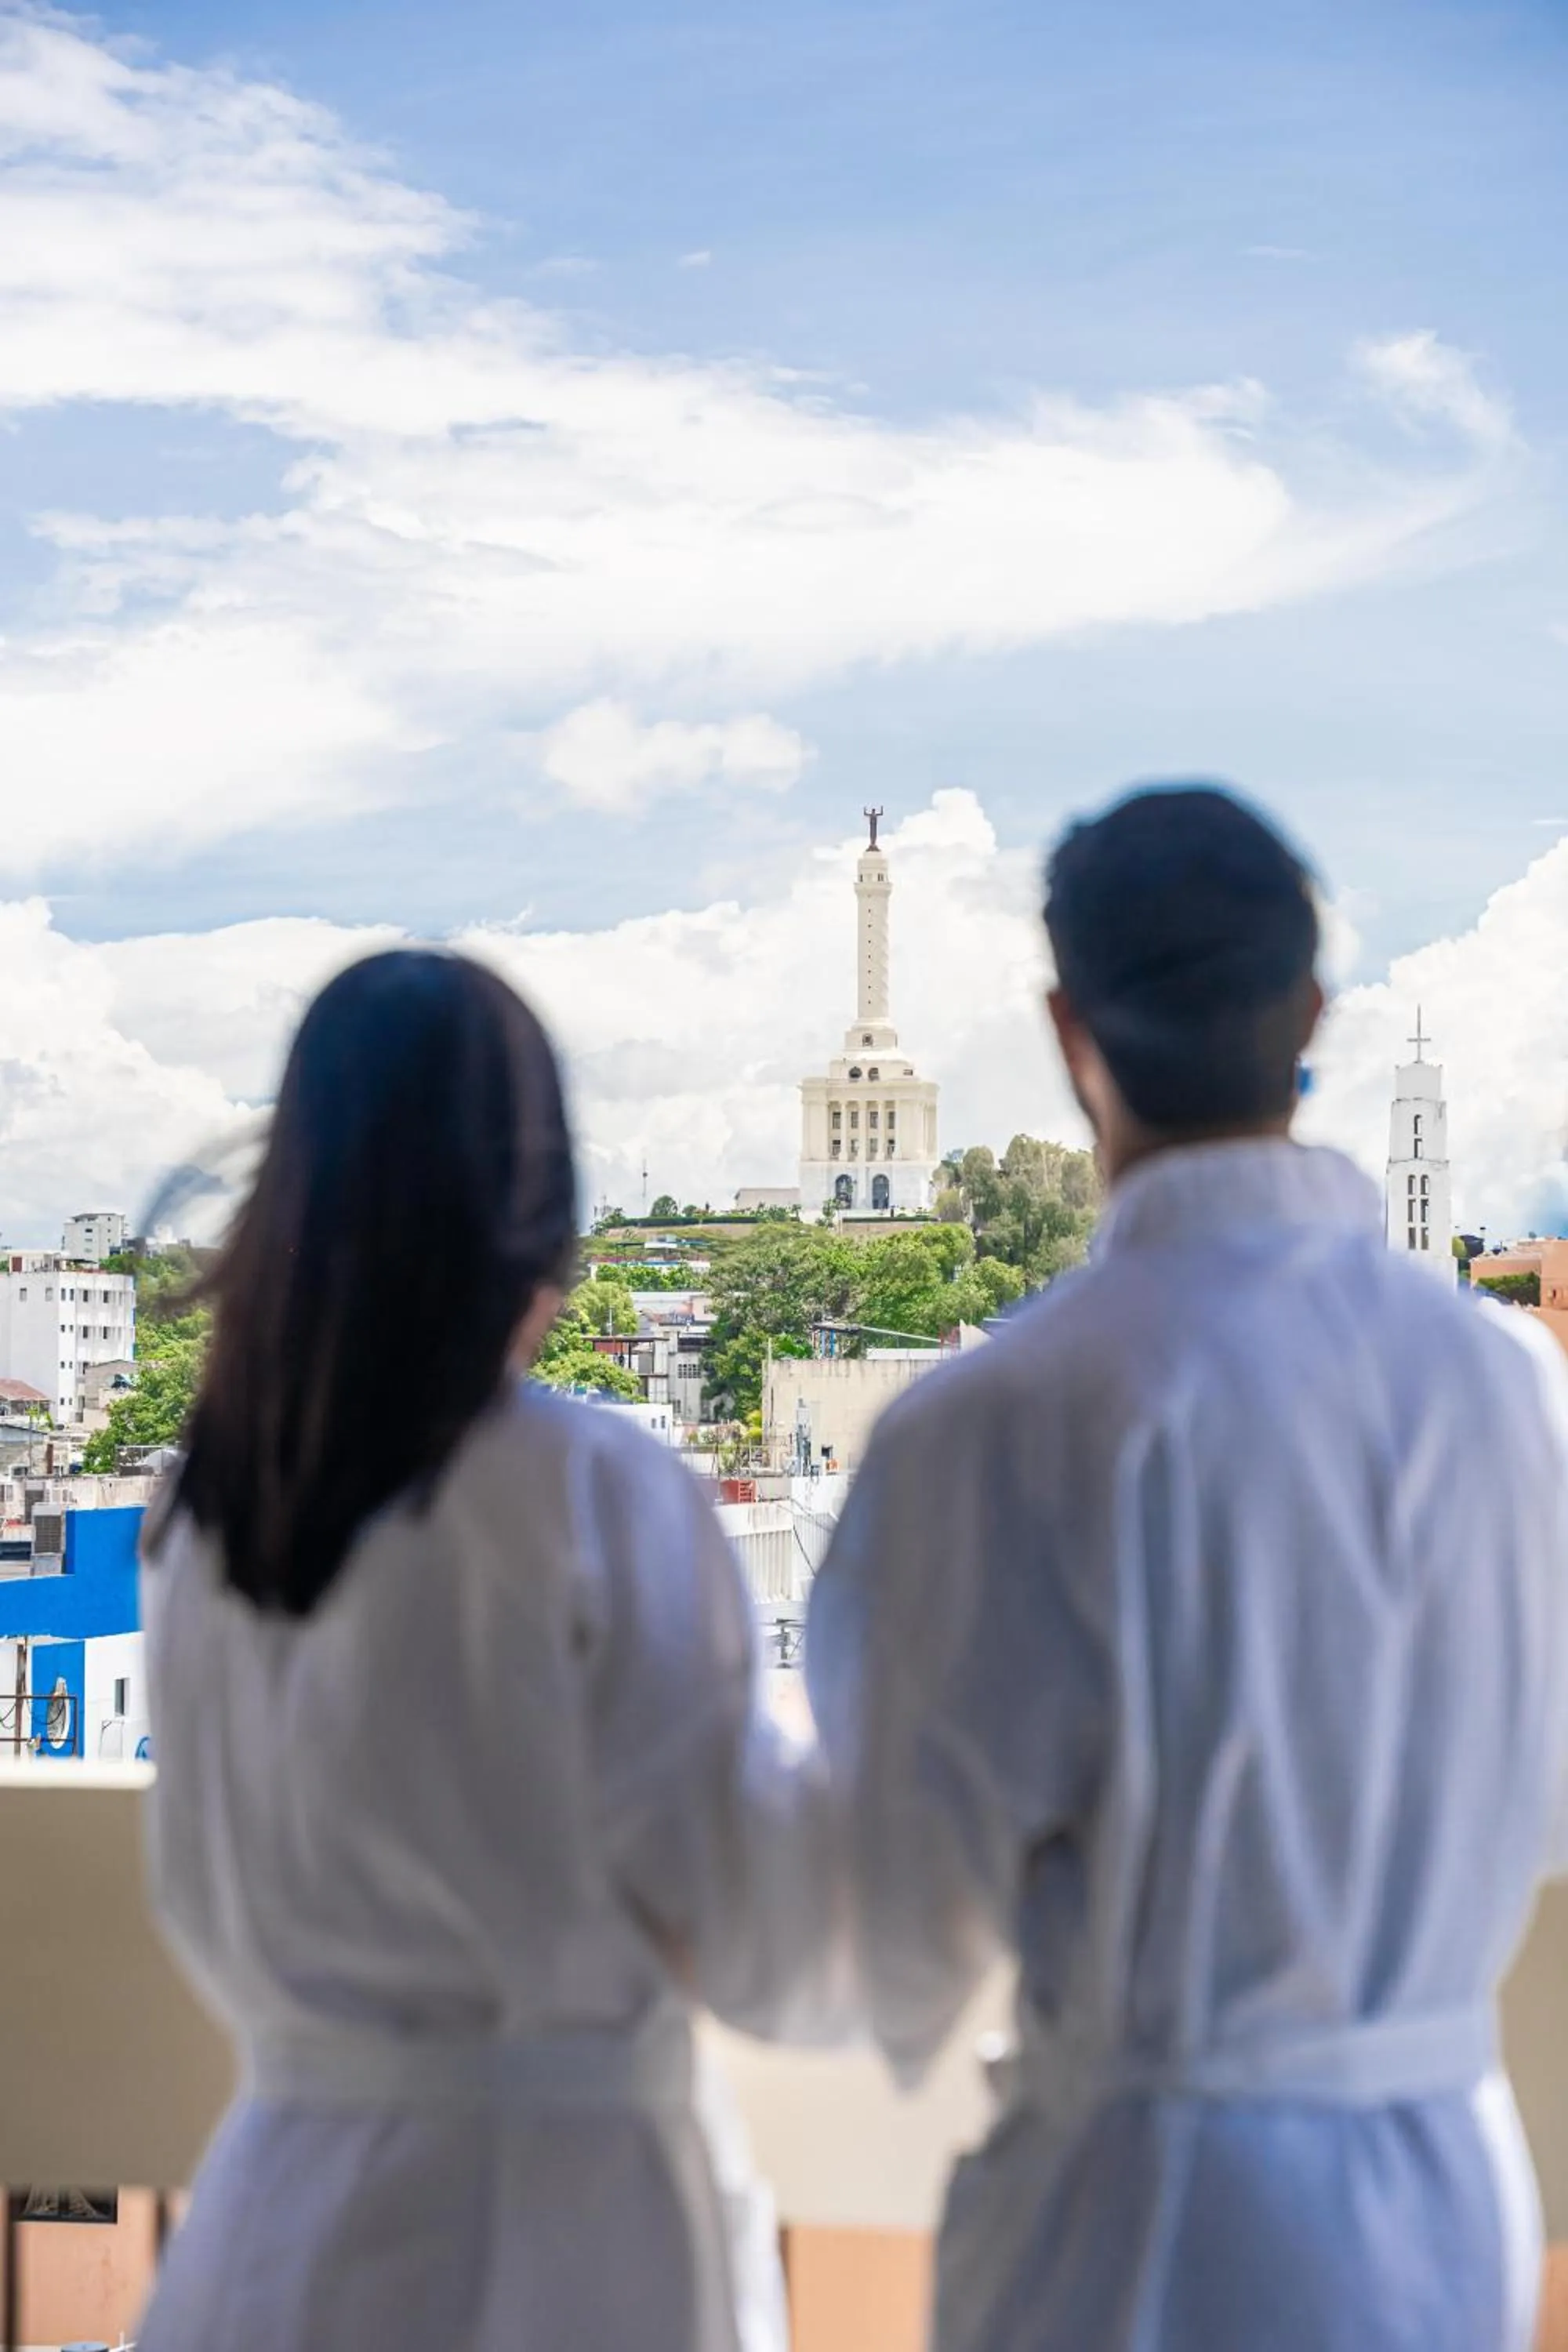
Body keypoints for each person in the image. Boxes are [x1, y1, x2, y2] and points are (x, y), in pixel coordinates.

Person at [807, 784, 1568, 2352]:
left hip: (1118, 2230)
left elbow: (898, 1936)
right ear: (1309, 1011)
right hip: (1439, 2208)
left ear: (1066, 1027)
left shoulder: (978, 1429)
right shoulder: (1507, 1389)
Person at [137, 948, 842, 2352]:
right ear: (537, 1219)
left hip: (265, 2227)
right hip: (559, 2247)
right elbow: (755, 1935)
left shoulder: (199, 1500)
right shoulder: (591, 1489)